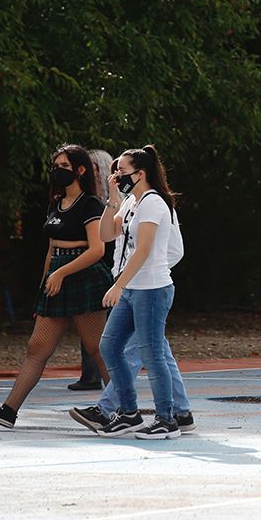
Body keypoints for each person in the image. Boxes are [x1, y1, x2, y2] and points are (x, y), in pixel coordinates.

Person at [0, 145, 113, 428]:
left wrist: (62, 274)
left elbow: (97, 250)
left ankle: (123, 408)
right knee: (37, 348)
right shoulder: (55, 204)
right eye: (55, 165)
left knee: (97, 348)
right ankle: (8, 411)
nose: (57, 170)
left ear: (80, 170)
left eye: (64, 165)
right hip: (56, 279)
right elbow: (51, 250)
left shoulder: (91, 204)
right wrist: (44, 286)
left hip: (83, 277)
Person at [69, 158, 194, 433]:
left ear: (141, 173)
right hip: (131, 287)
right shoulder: (130, 202)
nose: (117, 175)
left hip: (150, 288)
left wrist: (119, 285)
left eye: (122, 172)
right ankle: (129, 412)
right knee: (110, 347)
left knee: (151, 354)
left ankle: (166, 419)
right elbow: (106, 233)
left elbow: (144, 250)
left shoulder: (153, 202)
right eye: (116, 172)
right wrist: (113, 197)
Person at [68, 148, 115, 392]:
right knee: (89, 324)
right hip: (90, 267)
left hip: (105, 268)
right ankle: (92, 375)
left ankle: (108, 379)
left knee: (100, 326)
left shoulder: (107, 204)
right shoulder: (84, 200)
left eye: (94, 167)